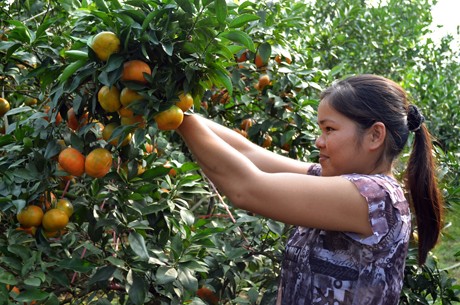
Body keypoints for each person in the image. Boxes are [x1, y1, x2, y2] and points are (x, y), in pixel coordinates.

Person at [176, 74, 443, 304]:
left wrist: (176, 116)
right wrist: (179, 110)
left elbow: (246, 188)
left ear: (375, 135)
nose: (319, 141)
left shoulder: (374, 197)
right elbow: (247, 152)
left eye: (329, 129)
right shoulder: (339, 181)